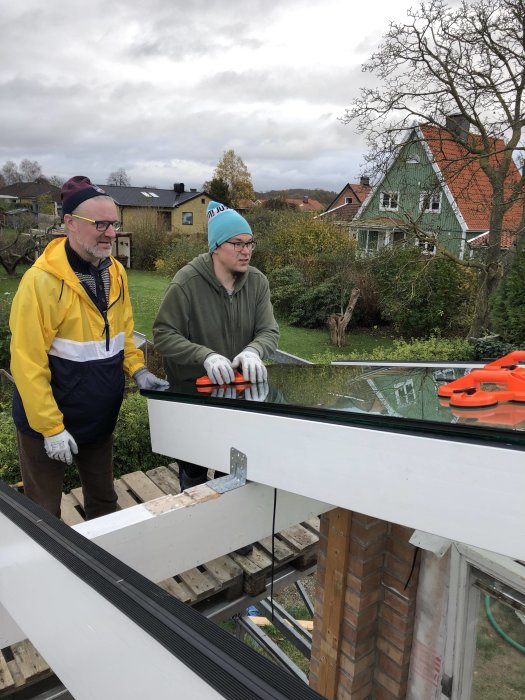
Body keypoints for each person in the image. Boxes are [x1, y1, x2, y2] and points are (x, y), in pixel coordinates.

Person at [9, 176, 168, 520]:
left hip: (98, 418)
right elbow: (27, 363)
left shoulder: (115, 272)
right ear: (69, 223)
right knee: (44, 515)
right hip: (45, 428)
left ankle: (103, 572)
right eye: (100, 224)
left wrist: (137, 368)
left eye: (114, 223)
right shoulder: (40, 282)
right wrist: (51, 430)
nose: (111, 233)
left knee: (104, 504)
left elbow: (122, 331)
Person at [153, 200, 279, 493]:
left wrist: (254, 350)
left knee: (235, 476)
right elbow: (163, 333)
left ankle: (235, 536)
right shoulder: (187, 282)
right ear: (216, 247)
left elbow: (269, 331)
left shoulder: (257, 282)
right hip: (194, 399)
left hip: (239, 400)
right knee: (194, 477)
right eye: (237, 244)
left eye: (250, 244)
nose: (246, 251)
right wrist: (205, 355)